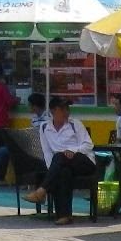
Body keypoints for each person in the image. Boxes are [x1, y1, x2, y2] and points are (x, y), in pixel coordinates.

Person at [24, 96, 97, 225]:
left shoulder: (75, 124)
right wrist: (51, 169)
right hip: (61, 164)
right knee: (63, 172)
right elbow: (47, 152)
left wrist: (73, 151)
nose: (66, 112)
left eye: (67, 109)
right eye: (62, 109)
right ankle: (65, 215)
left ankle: (41, 191)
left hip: (83, 161)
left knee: (59, 156)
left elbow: (88, 145)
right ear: (53, 111)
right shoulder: (44, 127)